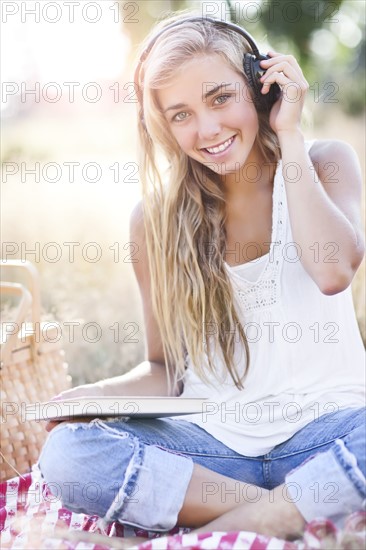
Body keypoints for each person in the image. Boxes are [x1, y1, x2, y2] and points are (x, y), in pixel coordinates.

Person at [39, 12, 366, 540]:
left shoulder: (324, 163)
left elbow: (332, 272)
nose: (208, 129)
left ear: (261, 88)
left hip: (332, 432)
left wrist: (290, 134)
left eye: (220, 98)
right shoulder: (154, 221)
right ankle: (285, 510)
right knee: (69, 456)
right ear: (160, 126)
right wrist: (94, 397)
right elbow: (166, 368)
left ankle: (257, 522)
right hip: (215, 459)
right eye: (181, 114)